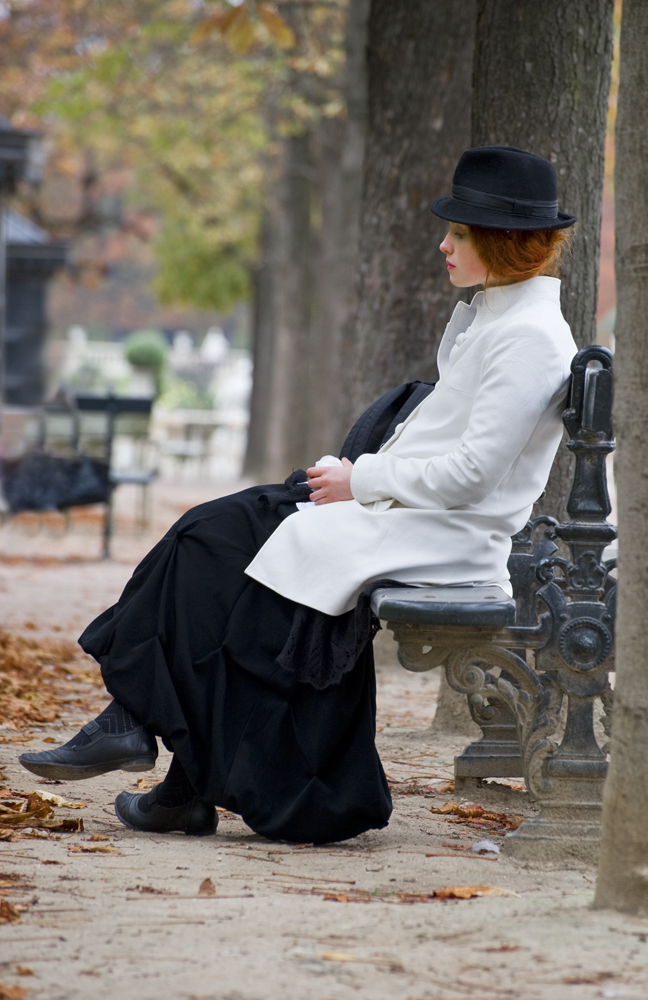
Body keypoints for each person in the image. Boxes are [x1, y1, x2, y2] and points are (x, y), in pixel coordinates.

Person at [19, 146, 578, 843]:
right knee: (208, 537)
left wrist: (359, 481)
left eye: (459, 233)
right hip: (405, 513)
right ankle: (143, 742)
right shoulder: (498, 316)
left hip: (442, 533)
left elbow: (472, 473)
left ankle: (152, 751)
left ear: (501, 240)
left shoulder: (528, 335)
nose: (443, 244)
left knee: (211, 547)